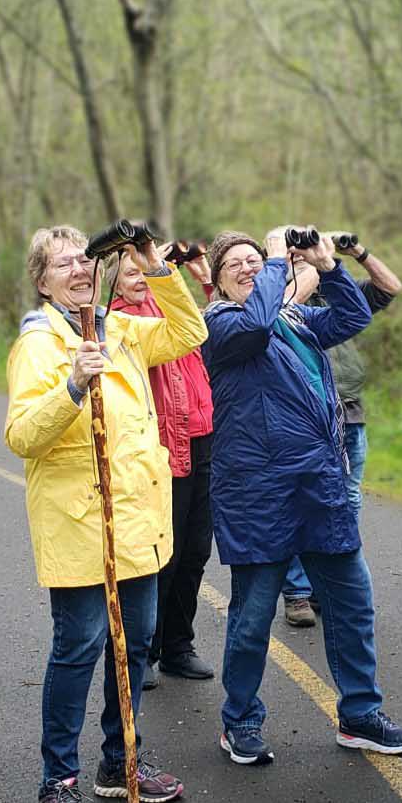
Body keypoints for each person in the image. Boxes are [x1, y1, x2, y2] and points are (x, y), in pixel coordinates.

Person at [6, 226, 204, 803]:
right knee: (80, 648)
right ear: (42, 280)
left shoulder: (119, 328)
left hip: (138, 521)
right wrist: (72, 387)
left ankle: (120, 762)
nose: (77, 270)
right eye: (63, 264)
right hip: (82, 525)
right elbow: (21, 437)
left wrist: (155, 267)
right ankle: (56, 783)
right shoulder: (39, 344)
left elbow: (187, 333)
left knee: (136, 642)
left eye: (84, 261)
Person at [200, 227, 402, 766]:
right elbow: (254, 326)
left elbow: (352, 318)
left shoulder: (293, 317)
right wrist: (276, 260)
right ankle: (240, 720)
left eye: (257, 259)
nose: (251, 268)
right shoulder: (220, 324)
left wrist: (331, 266)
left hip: (319, 483)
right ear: (217, 282)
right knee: (253, 616)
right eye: (238, 265)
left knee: (351, 603)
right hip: (258, 489)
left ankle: (360, 714)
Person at [280, 235, 402, 628]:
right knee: (301, 504)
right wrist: (304, 270)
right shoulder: (282, 303)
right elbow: (282, 308)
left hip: (350, 414)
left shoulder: (338, 299)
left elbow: (391, 288)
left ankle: (327, 585)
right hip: (308, 419)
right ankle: (297, 593)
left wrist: (356, 253)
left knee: (346, 503)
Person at [110, 253, 219, 686]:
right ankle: (148, 650)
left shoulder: (168, 308)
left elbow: (199, 328)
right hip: (159, 447)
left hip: (201, 436)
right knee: (161, 557)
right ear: (113, 284)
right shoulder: (118, 323)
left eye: (144, 271)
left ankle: (179, 645)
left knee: (195, 550)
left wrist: (173, 268)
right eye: (130, 273)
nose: (140, 279)